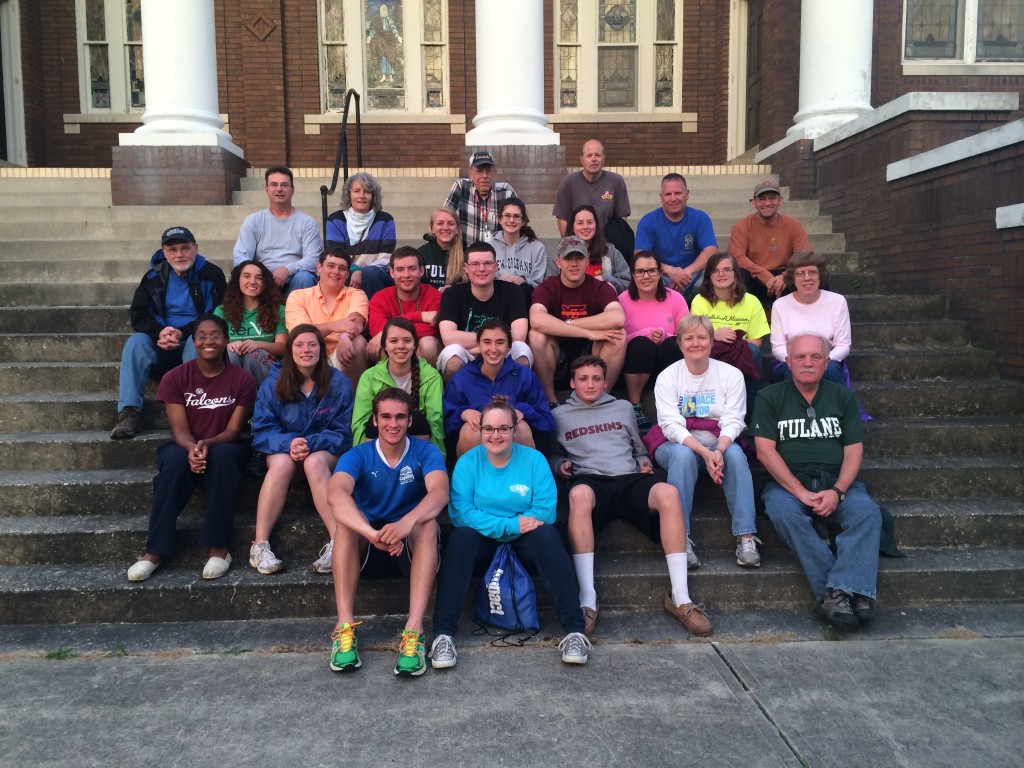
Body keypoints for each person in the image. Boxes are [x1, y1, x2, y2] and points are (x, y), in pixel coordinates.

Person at [553, 355, 712, 638]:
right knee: (577, 495)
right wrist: (558, 464)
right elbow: (552, 452)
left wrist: (643, 460)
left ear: (605, 381)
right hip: (591, 482)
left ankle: (680, 598)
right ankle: (587, 599)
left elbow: (638, 447)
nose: (590, 385)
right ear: (572, 383)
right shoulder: (559, 416)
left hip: (628, 479)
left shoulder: (623, 407)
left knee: (669, 492)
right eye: (583, 379)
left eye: (596, 379)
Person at [430, 397, 592, 669]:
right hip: (484, 542)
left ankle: (574, 631)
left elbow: (545, 510)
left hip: (525, 543)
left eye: (503, 428)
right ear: (480, 431)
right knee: (461, 538)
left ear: (515, 431)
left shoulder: (534, 460)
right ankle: (443, 635)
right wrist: (510, 526)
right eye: (489, 428)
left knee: (547, 535)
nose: (496, 435)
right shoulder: (468, 463)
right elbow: (461, 513)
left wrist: (515, 528)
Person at [751, 333, 882, 628]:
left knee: (867, 513)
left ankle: (836, 594)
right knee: (783, 512)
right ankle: (850, 590)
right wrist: (799, 492)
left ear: (826, 363)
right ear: (788, 362)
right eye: (800, 357)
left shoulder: (843, 396)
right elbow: (764, 450)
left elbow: (853, 450)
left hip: (836, 481)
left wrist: (837, 490)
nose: (807, 363)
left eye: (815, 357)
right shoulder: (769, 397)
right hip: (788, 483)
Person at [327, 388, 449, 676]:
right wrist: (370, 533)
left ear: (409, 421)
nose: (392, 424)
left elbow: (440, 493)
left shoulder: (425, 451)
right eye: (386, 417)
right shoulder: (358, 454)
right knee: (345, 525)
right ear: (374, 420)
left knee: (427, 523)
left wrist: (405, 524)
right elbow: (336, 495)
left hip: (409, 546)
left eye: (399, 417)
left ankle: (414, 632)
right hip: (371, 546)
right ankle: (344, 628)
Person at [126, 315, 256, 582]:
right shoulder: (175, 378)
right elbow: (179, 431)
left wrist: (207, 444)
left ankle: (219, 548)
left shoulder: (242, 380)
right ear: (193, 342)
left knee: (223, 457)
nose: (209, 340)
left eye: (216, 335)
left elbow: (233, 431)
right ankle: (154, 551)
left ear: (226, 340)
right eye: (202, 336)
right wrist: (192, 448)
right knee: (174, 463)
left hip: (225, 444)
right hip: (185, 443)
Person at [653, 315, 761, 570]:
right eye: (689, 338)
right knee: (682, 455)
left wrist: (719, 450)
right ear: (679, 343)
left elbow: (734, 420)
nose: (696, 343)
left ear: (712, 342)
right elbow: (670, 425)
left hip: (718, 441)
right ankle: (681, 538)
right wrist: (703, 452)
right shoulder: (668, 377)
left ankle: (746, 536)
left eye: (702, 337)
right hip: (677, 445)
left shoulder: (730, 374)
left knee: (735, 455)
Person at [249, 325, 354, 576]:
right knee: (282, 464)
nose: (306, 350)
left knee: (314, 462)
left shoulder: (338, 381)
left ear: (321, 349)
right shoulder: (273, 382)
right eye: (299, 345)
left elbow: (344, 430)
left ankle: (338, 542)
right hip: (284, 451)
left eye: (312, 344)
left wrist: (310, 444)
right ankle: (260, 545)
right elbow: (262, 429)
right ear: (290, 349)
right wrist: (289, 444)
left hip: (324, 451)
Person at [110, 226, 226, 440]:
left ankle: (194, 411)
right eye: (172, 249)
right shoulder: (153, 277)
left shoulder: (212, 274)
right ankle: (129, 412)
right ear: (164, 252)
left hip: (195, 343)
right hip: (163, 345)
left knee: (199, 339)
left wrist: (182, 333)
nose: (179, 254)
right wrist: (159, 333)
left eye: (185, 248)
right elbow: (139, 314)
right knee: (136, 343)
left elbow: (216, 316)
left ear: (196, 248)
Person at [529, 236, 626, 406]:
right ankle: (550, 401)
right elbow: (537, 320)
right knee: (536, 335)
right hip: (558, 357)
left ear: (587, 261)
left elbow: (617, 318)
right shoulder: (548, 287)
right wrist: (587, 332)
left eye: (579, 258)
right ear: (558, 262)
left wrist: (568, 323)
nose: (574, 264)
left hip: (592, 354)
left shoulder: (599, 287)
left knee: (619, 335)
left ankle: (599, 400)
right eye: (568, 258)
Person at [443, 320, 554, 458]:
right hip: (477, 448)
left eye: (500, 342)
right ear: (478, 345)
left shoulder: (525, 376)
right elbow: (446, 426)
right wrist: (463, 413)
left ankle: (522, 478)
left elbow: (547, 422)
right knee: (470, 430)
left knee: (521, 428)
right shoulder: (462, 379)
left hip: (515, 449)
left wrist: (523, 411)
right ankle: (471, 478)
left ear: (508, 346)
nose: (493, 349)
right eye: (487, 342)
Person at [690, 251, 770, 418]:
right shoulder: (699, 300)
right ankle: (707, 414)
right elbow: (694, 336)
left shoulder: (751, 301)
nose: (721, 274)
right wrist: (714, 335)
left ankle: (748, 415)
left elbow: (756, 341)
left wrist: (734, 343)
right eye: (716, 270)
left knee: (752, 352)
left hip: (741, 353)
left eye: (727, 269)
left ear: (735, 273)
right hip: (711, 352)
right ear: (709, 275)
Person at [437, 241, 532, 381]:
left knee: (521, 351)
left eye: (487, 263)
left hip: (499, 350)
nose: (481, 269)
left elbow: (519, 335)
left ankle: (512, 398)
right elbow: (448, 337)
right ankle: (460, 398)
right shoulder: (452, 294)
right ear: (466, 268)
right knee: (453, 355)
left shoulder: (513, 291)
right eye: (475, 264)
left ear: (496, 266)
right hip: (469, 352)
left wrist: (485, 346)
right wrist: (486, 345)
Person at [352, 317, 445, 455]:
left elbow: (435, 423)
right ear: (385, 346)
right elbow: (360, 424)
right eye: (393, 341)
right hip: (380, 447)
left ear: (415, 345)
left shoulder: (431, 376)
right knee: (374, 423)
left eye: (407, 341)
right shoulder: (369, 377)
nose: (400, 346)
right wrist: (360, 461)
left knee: (418, 420)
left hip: (417, 449)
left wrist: (436, 462)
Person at [618, 250, 688, 429]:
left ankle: (673, 402)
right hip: (634, 368)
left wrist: (665, 336)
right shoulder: (622, 300)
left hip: (666, 366)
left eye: (651, 271)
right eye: (640, 271)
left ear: (660, 273)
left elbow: (686, 335)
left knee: (673, 344)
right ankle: (635, 404)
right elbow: (617, 337)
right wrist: (644, 334)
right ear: (633, 275)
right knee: (642, 345)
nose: (646, 276)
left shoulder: (676, 299)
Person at [285, 250, 369, 390]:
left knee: (358, 343)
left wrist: (344, 335)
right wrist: (335, 326)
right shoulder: (298, 296)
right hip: (309, 355)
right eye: (331, 266)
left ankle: (353, 404)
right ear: (319, 268)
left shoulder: (356, 294)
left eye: (342, 268)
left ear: (347, 274)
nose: (336, 271)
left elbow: (356, 323)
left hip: (342, 354)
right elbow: (300, 334)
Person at [233, 166, 321, 296]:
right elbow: (241, 256)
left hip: (295, 278)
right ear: (266, 189)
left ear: (292, 190)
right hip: (262, 279)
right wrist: (260, 274)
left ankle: (293, 315)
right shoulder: (253, 221)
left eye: (284, 185)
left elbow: (314, 259)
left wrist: (287, 270)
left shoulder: (307, 223)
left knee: (305, 278)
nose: (279, 189)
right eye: (274, 184)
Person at [769, 251, 850, 385]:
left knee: (831, 370)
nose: (807, 278)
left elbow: (843, 345)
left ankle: (830, 406)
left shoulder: (838, 302)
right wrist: (797, 361)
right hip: (790, 360)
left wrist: (820, 361)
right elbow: (778, 347)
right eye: (800, 273)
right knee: (790, 372)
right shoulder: (780, 305)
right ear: (793, 278)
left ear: (820, 276)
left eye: (812, 272)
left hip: (826, 359)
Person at [634, 173, 718, 302]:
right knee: (646, 276)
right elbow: (640, 255)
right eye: (668, 194)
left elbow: (710, 250)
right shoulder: (648, 221)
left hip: (692, 275)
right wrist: (670, 270)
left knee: (715, 275)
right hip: (661, 275)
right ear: (661, 197)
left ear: (687, 194)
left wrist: (685, 273)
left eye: (678, 193)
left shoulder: (700, 218)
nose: (673, 198)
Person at [729, 180, 811, 309]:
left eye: (772, 198)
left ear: (780, 201)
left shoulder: (794, 225)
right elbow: (737, 257)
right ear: (754, 203)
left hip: (785, 278)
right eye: (762, 199)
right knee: (738, 274)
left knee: (813, 275)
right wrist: (765, 275)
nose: (767, 203)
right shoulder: (742, 226)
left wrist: (785, 276)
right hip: (754, 276)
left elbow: (805, 256)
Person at [214, 260, 287, 387]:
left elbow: (282, 348)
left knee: (253, 354)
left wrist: (258, 344)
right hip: (233, 365)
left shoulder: (279, 310)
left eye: (259, 278)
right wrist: (229, 345)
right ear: (238, 280)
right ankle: (234, 400)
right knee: (231, 352)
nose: (252, 281)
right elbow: (213, 343)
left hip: (264, 367)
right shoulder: (221, 311)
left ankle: (261, 401)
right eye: (246, 276)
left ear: (265, 283)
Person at [366, 247, 442, 366]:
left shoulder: (434, 296)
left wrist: (387, 331)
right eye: (400, 269)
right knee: (383, 346)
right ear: (392, 272)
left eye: (412, 269)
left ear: (421, 271)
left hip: (423, 351)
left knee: (428, 343)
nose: (406, 275)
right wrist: (420, 317)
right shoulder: (381, 297)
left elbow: (432, 330)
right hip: (392, 352)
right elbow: (377, 329)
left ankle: (428, 384)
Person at [325, 172, 397, 298]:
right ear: (349, 194)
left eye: (367, 192)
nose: (362, 196)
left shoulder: (385, 220)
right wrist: (355, 270)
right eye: (356, 191)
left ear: (373, 196)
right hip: (346, 272)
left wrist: (362, 272)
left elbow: (386, 259)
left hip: (376, 276)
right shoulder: (336, 220)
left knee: (371, 274)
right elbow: (335, 256)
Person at [553, 139, 631, 236]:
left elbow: (622, 219)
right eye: (589, 155)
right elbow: (562, 220)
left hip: (608, 244)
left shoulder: (616, 181)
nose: (593, 159)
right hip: (578, 243)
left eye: (597, 155)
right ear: (582, 160)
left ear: (603, 159)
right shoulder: (569, 182)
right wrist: (572, 245)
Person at [442, 150, 517, 247]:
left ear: (494, 173)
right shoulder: (461, 187)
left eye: (488, 171)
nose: (485, 176)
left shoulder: (506, 192)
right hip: (466, 252)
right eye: (480, 171)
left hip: (497, 254)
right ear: (470, 174)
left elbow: (520, 223)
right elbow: (444, 216)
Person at [487, 197, 548, 302]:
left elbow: (539, 284)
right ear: (500, 220)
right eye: (507, 216)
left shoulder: (537, 248)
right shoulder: (489, 247)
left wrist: (524, 280)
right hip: (496, 298)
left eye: (516, 216)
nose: (511, 220)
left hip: (525, 298)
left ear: (523, 221)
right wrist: (497, 280)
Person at [565, 204, 631, 293]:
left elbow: (627, 284)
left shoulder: (610, 251)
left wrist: (606, 279)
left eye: (590, 222)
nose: (585, 227)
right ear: (572, 227)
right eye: (580, 223)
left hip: (605, 303)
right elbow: (550, 284)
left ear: (596, 225)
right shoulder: (561, 253)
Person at [418, 207, 466, 291]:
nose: (446, 227)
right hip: (430, 301)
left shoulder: (466, 254)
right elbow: (418, 285)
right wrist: (438, 291)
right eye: (440, 223)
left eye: (450, 223)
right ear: (432, 228)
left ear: (457, 229)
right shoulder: (420, 254)